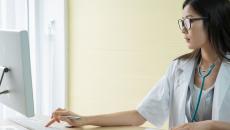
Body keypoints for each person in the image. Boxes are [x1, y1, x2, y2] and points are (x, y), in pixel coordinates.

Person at [45, 0, 230, 129]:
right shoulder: (179, 67)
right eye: (182, 22)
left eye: (189, 21)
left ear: (212, 20)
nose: (183, 29)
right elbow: (139, 116)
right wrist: (83, 119)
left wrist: (211, 126)